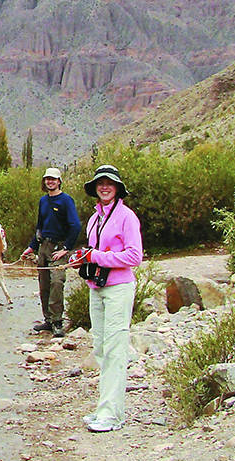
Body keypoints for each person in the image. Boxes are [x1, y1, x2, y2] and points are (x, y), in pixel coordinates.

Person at [68, 164, 142, 433]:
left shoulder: (127, 217)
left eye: (109, 183)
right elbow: (94, 251)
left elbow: (135, 256)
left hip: (118, 289)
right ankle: (104, 407)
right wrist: (83, 258)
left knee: (114, 349)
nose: (104, 187)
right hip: (96, 288)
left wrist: (96, 257)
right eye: (100, 183)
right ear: (95, 189)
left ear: (118, 188)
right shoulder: (94, 219)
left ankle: (112, 414)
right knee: (100, 347)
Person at [19, 167, 81, 338]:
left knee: (56, 282)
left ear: (59, 181)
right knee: (44, 283)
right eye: (47, 179)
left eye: (53, 179)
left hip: (58, 247)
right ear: (44, 181)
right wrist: (31, 247)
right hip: (43, 246)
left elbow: (75, 226)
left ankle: (57, 322)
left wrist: (66, 248)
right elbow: (40, 226)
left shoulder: (66, 200)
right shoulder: (43, 201)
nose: (50, 182)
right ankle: (47, 319)